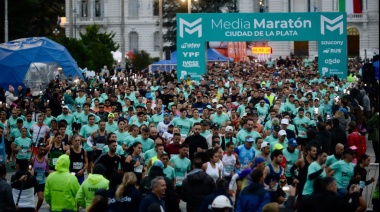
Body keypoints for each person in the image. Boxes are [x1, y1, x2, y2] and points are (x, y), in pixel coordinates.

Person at [30, 142, 49, 211]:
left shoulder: (46, 160)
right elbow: (29, 168)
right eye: (41, 149)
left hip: (41, 182)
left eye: (44, 150)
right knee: (30, 198)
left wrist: (47, 173)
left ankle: (36, 209)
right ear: (37, 149)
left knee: (41, 199)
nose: (42, 151)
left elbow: (47, 169)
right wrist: (31, 171)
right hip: (33, 182)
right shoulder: (33, 159)